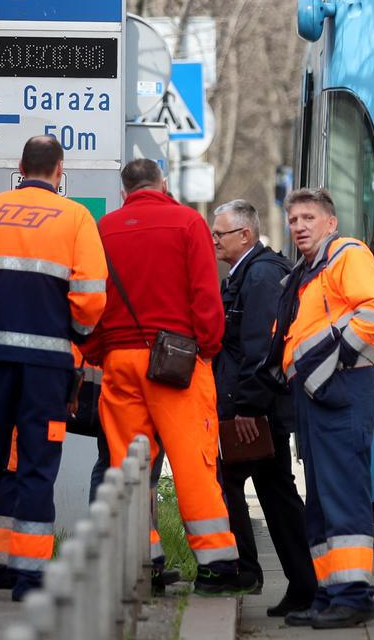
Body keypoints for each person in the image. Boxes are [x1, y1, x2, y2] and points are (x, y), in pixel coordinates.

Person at [0, 136, 106, 601]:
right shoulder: (76, 218)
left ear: (19, 166)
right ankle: (29, 576)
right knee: (36, 465)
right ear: (60, 171)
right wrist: (75, 331)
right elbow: (91, 296)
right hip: (46, 367)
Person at [89, 158, 254, 596]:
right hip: (176, 363)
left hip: (119, 361)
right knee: (193, 465)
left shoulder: (103, 229)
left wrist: (99, 352)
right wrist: (207, 348)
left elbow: (90, 299)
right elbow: (205, 295)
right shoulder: (186, 223)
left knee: (128, 470)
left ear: (124, 191)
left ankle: (142, 564)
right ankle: (217, 565)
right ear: (163, 184)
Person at [272, 188, 374, 629]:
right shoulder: (309, 270)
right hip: (317, 395)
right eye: (293, 219)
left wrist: (328, 360)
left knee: (342, 497)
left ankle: (354, 596)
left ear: (330, 223)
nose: (299, 226)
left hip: (340, 390)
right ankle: (329, 593)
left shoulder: (347, 256)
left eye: (308, 218)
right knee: (321, 503)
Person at [211, 199, 317, 615]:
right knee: (271, 492)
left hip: (256, 410)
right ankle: (299, 583)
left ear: (245, 235)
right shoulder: (250, 273)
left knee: (255, 489)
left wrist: (245, 410)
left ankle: (255, 572)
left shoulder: (259, 277)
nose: (214, 239)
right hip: (255, 406)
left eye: (220, 233)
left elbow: (260, 350)